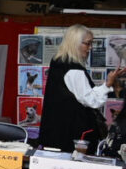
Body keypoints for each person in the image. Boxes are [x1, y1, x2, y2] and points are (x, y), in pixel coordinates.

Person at [39, 24, 126, 154]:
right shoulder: (74, 69)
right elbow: (91, 100)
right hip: (71, 135)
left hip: (55, 130)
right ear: (75, 43)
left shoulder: (58, 61)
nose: (90, 48)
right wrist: (108, 84)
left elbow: (83, 94)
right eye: (88, 44)